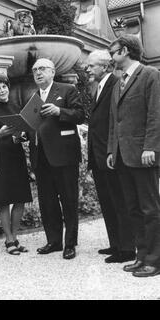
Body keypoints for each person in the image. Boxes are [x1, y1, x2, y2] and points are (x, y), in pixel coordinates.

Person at [107, 35, 160, 277]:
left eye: (113, 52)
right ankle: (141, 256)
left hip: (143, 154)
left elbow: (155, 114)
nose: (111, 57)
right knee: (134, 209)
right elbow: (114, 122)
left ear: (125, 51)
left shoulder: (149, 75)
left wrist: (151, 147)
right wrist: (111, 149)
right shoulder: (119, 82)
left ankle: (155, 260)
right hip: (122, 156)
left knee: (150, 209)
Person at [30, 58, 85, 260]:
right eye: (35, 69)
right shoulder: (33, 96)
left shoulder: (67, 89)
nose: (38, 72)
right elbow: (33, 124)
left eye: (42, 68)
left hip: (64, 154)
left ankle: (70, 244)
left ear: (53, 72)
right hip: (41, 156)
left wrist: (59, 111)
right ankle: (53, 241)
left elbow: (80, 115)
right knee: (47, 201)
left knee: (69, 200)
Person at [86, 50, 135, 263]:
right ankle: (115, 243)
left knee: (119, 201)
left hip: (110, 155)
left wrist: (111, 152)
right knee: (107, 201)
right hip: (99, 156)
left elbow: (116, 121)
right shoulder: (99, 87)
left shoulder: (115, 84)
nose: (87, 69)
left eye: (91, 66)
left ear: (105, 67)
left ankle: (126, 249)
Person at [0, 73, 32, 255]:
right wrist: (0, 134)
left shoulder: (18, 107)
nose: (2, 90)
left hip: (16, 154)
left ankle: (15, 237)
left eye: (4, 86)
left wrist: (22, 136)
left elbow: (25, 130)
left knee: (19, 199)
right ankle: (8, 239)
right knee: (4, 200)